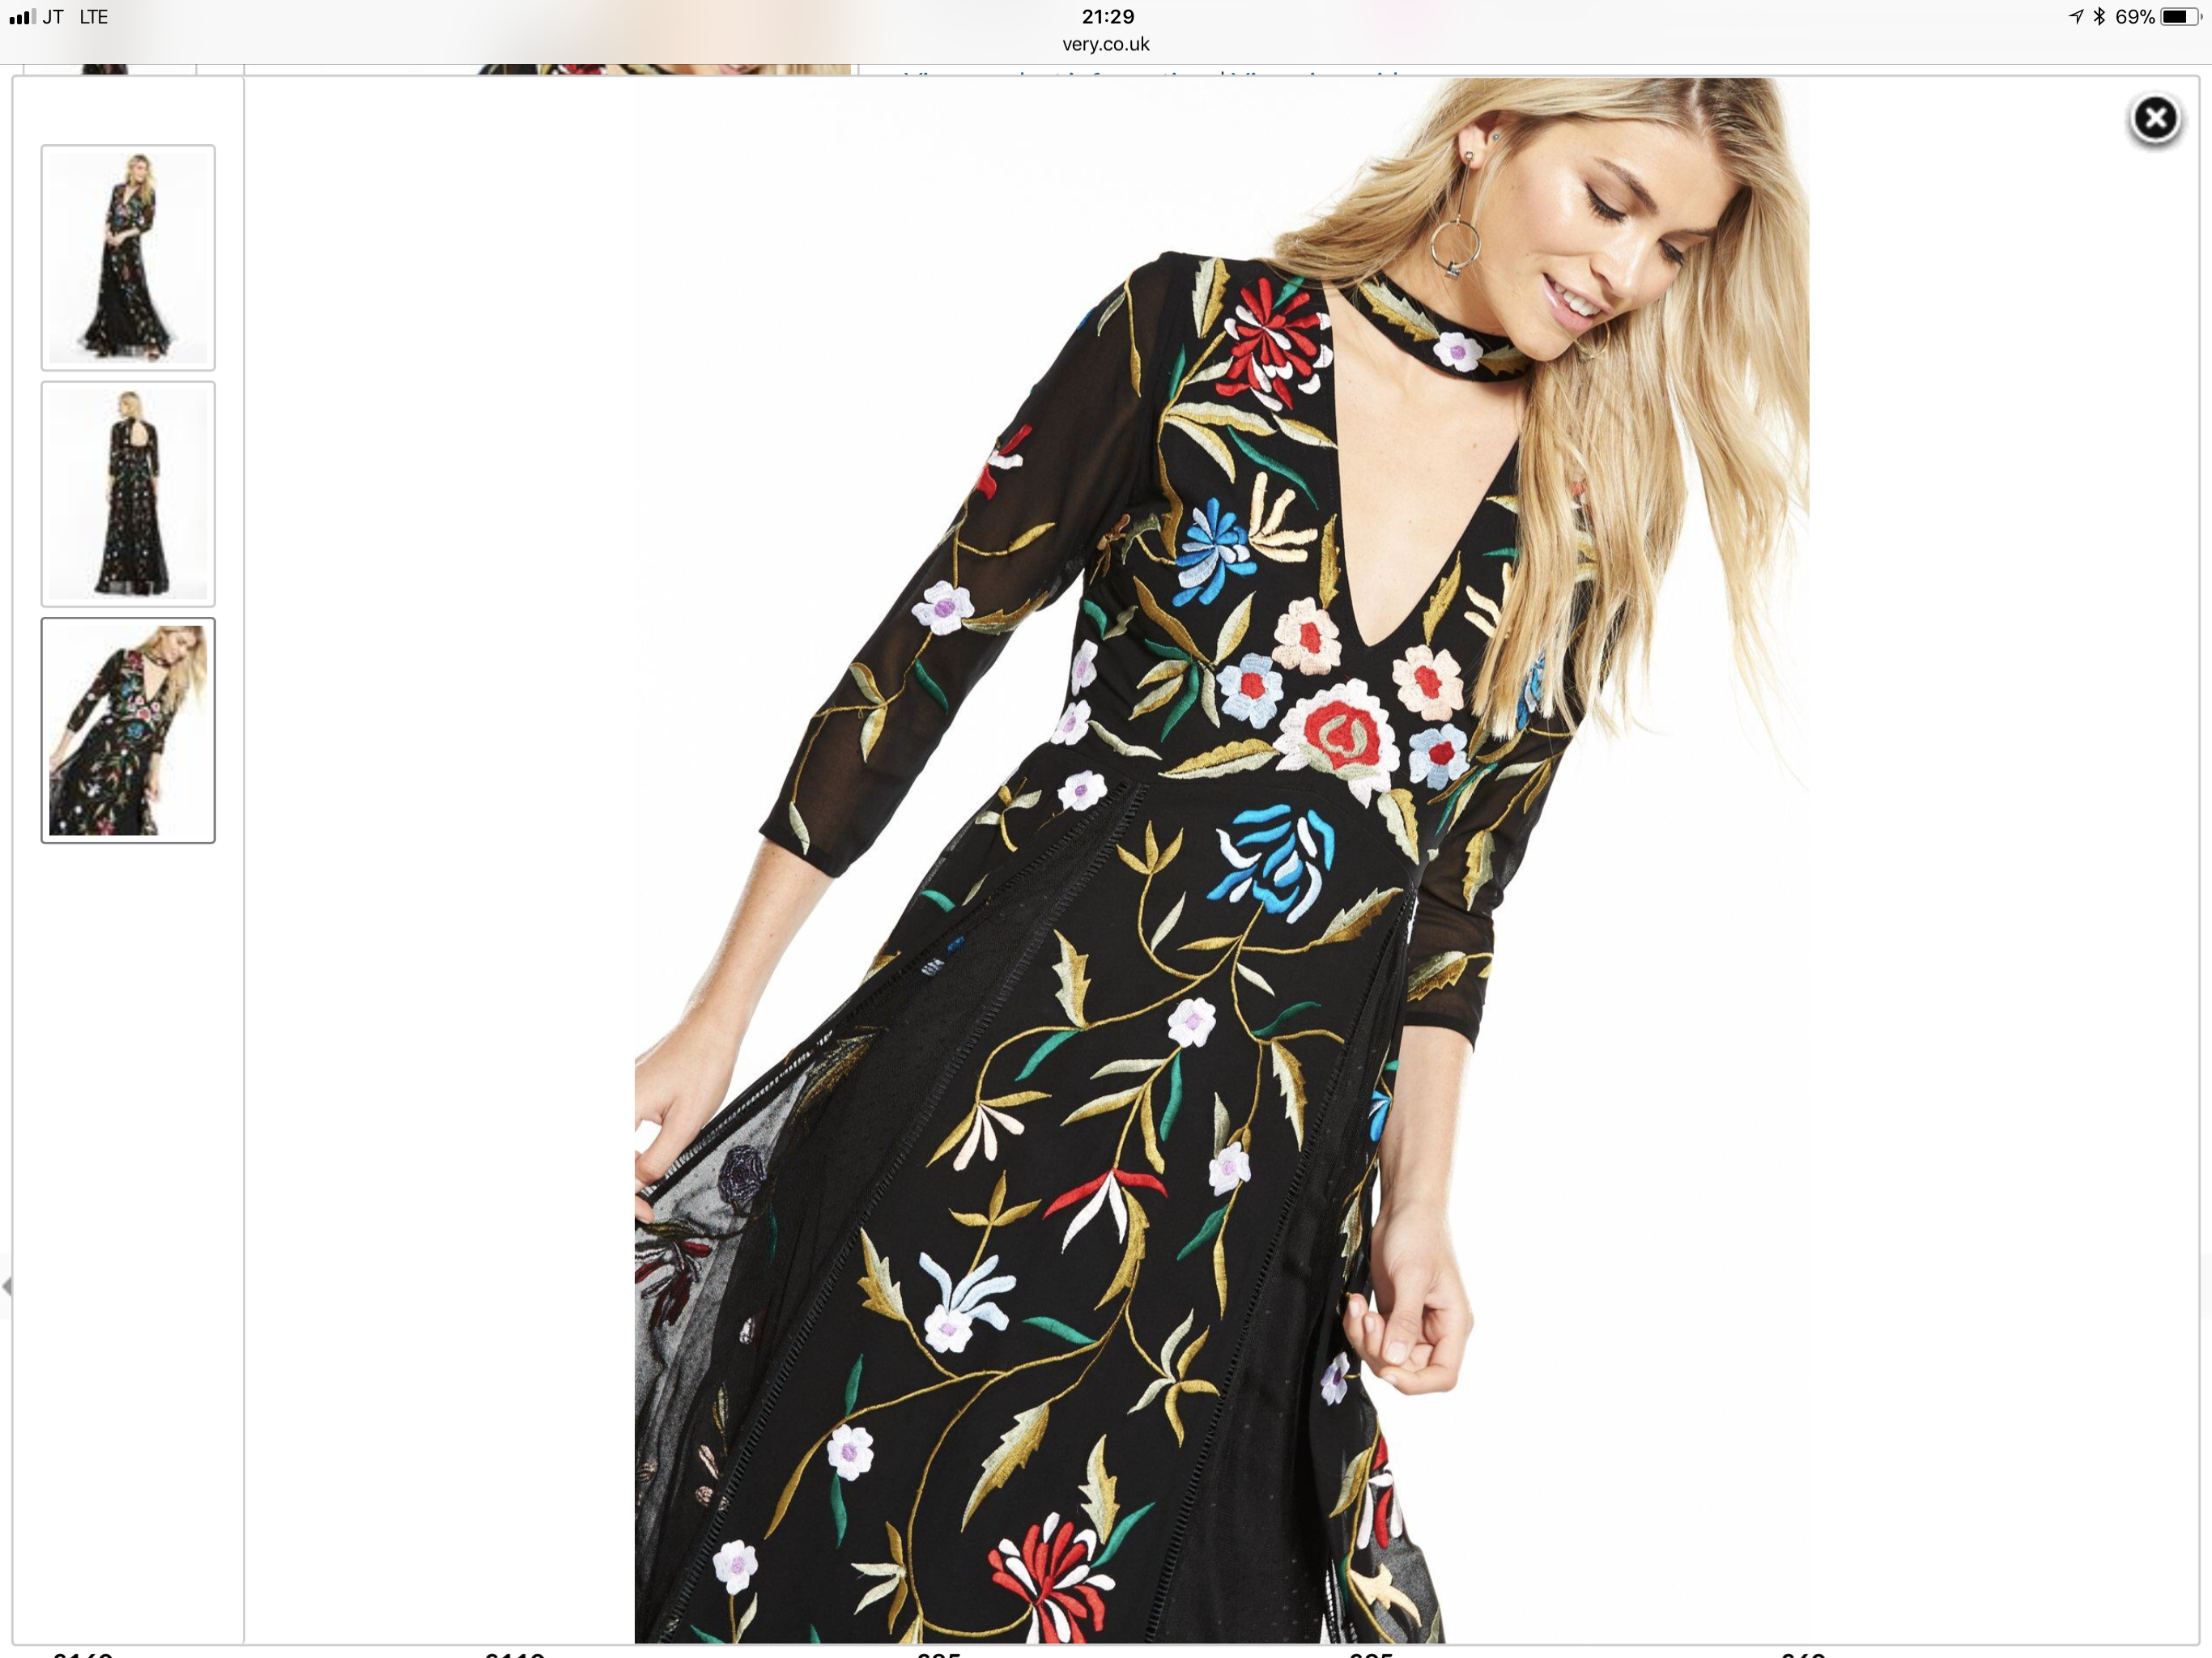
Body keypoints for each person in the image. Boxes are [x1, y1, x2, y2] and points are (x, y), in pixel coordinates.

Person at [633, 77, 1808, 1644]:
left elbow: (1455, 901)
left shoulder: (1585, 505)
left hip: (1263, 1173)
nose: (1624, 270)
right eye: (1609, 201)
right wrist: (718, 1010)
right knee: (838, 1562)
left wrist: (1418, 1207)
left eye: (1673, 250)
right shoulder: (1190, 332)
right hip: (998, 1074)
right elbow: (926, 650)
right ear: (1490, 131)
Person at [48, 625, 206, 836]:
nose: (183, 652)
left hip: (134, 774)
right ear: (163, 633)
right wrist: (60, 751)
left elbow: (160, 736)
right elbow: (88, 702)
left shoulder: (177, 684)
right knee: (77, 826)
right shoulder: (123, 660)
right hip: (96, 758)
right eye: (180, 642)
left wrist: (154, 775)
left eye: (189, 648)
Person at [80, 153, 170, 361]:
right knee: (110, 291)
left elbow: (147, 224)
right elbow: (110, 214)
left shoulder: (148, 193)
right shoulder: (118, 189)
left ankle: (151, 342)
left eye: (145, 169)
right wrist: (107, 233)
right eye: (139, 167)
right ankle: (107, 341)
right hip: (111, 246)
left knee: (135, 292)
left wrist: (123, 236)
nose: (142, 172)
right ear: (131, 169)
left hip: (129, 248)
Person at [98, 390, 168, 596]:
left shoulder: (118, 429)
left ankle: (120, 581)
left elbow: (115, 460)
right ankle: (143, 583)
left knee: (122, 528)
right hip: (144, 484)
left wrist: (109, 486)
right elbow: (154, 464)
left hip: (124, 482)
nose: (118, 408)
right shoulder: (150, 429)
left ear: (130, 406)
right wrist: (155, 489)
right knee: (144, 529)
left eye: (122, 404)